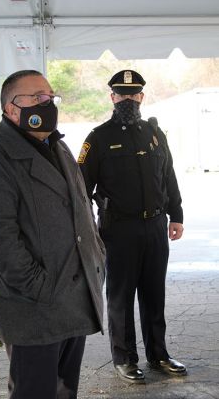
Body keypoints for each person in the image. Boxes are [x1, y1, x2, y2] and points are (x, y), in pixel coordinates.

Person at [0, 69, 105, 399]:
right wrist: (42, 288)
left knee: (64, 393)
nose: (47, 104)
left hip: (74, 301)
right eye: (38, 98)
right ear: (12, 109)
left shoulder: (59, 148)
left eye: (50, 97)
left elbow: (82, 210)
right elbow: (1, 242)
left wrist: (97, 256)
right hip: (35, 310)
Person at [78, 69, 186, 383]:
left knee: (155, 294)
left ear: (141, 96)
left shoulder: (154, 134)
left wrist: (176, 214)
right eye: (121, 94)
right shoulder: (97, 138)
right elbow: (81, 190)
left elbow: (168, 177)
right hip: (118, 231)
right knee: (120, 297)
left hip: (154, 227)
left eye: (133, 93)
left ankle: (159, 355)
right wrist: (89, 234)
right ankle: (124, 358)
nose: (128, 99)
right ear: (112, 97)